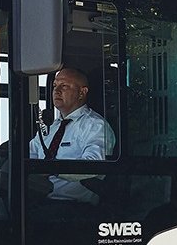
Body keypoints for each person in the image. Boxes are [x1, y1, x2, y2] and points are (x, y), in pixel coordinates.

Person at [28, 67, 115, 204]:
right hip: (38, 199)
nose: (56, 91)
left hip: (73, 208)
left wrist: (53, 169)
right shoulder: (51, 127)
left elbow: (94, 165)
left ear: (82, 92)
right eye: (55, 86)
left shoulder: (95, 125)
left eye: (64, 86)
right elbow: (30, 154)